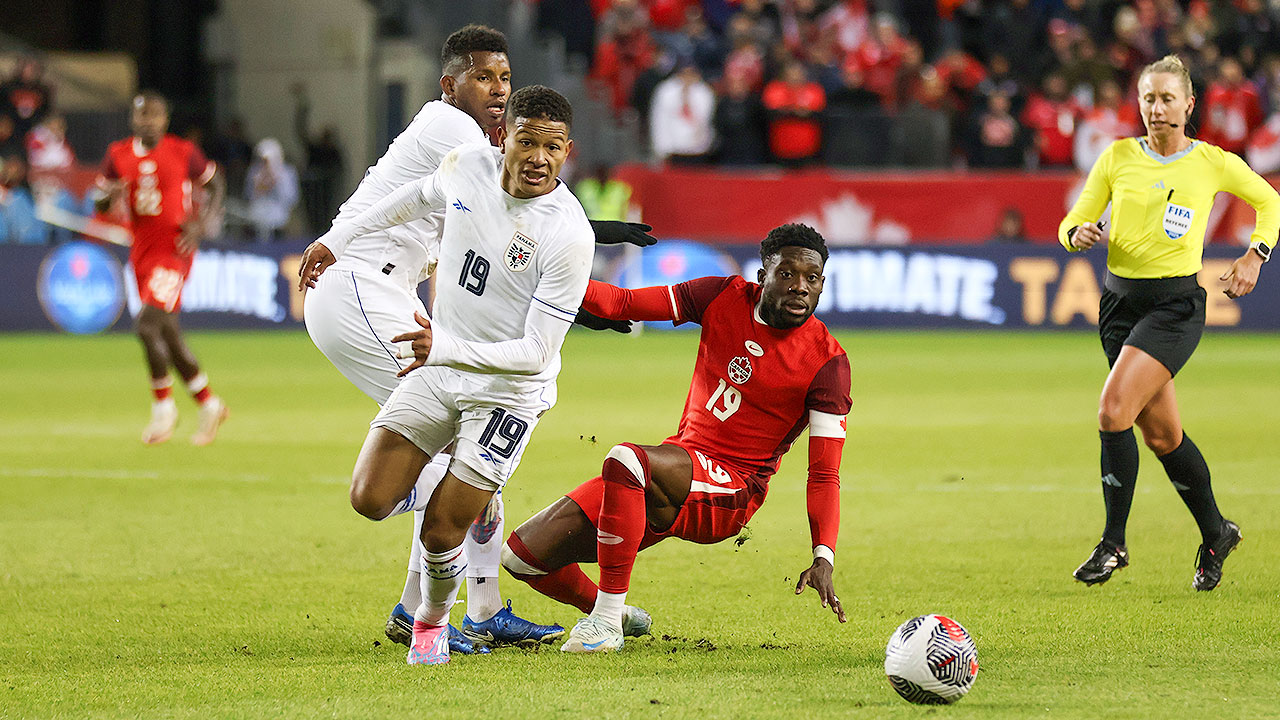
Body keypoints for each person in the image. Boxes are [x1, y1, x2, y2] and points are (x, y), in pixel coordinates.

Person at [297, 26, 653, 656]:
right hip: (366, 290)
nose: (496, 90)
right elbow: (479, 189)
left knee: (460, 481)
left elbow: (522, 231)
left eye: (504, 79)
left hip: (423, 318)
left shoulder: (521, 182)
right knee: (437, 475)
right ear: (450, 85)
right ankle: (448, 606)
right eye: (484, 78)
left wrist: (576, 294)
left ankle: (454, 608)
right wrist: (336, 238)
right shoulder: (456, 135)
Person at [501, 223, 852, 653]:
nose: (800, 287)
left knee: (625, 460)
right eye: (787, 274)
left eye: (811, 279)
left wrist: (824, 555)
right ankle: (612, 610)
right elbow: (623, 302)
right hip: (681, 462)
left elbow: (824, 474)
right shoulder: (722, 295)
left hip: (734, 489)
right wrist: (550, 274)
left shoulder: (828, 363)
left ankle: (606, 624)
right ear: (762, 276)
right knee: (522, 556)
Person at [1059, 55, 1279, 592]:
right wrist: (1078, 235)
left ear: (1188, 104)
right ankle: (1216, 531)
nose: (1157, 108)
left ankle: (1113, 543)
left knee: (1113, 411)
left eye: (1166, 98)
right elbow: (1072, 221)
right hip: (1117, 307)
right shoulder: (1116, 158)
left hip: (1175, 308)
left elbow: (1269, 201)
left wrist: (1256, 254)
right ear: (1139, 104)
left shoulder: (1211, 162)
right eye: (1148, 98)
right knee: (1161, 435)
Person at [95, 91, 228, 446]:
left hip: (174, 251)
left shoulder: (182, 152)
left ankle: (163, 408)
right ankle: (209, 403)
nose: (148, 122)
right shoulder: (117, 154)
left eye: (154, 116)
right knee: (166, 332)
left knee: (145, 326)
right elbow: (100, 196)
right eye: (142, 116)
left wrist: (201, 224)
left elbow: (215, 184)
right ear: (132, 119)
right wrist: (107, 199)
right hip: (142, 253)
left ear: (165, 121)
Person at [244, 137, 299, 242]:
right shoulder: (254, 172)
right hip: (257, 221)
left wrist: (276, 181)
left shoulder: (287, 173)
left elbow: (291, 198)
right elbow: (249, 195)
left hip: (278, 222)